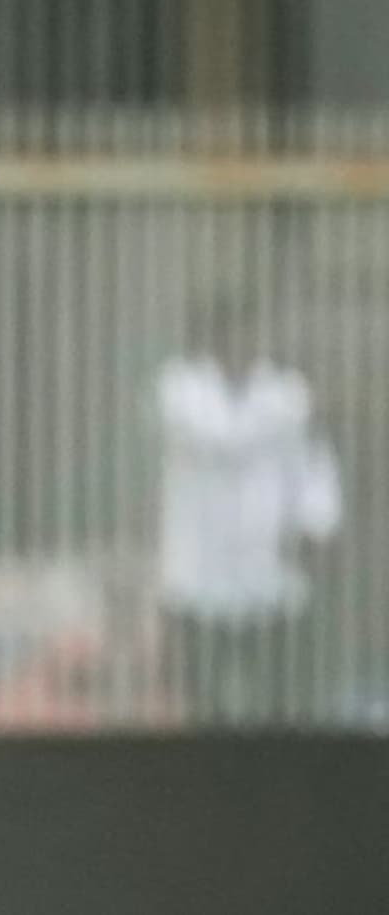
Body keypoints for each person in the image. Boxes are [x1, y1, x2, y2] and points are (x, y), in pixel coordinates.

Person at [157, 291, 341, 725]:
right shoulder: (180, 388)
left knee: (275, 707)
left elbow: (311, 461)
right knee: (202, 707)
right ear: (212, 338)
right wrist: (283, 418)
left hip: (269, 573)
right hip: (198, 575)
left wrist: (318, 523)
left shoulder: (286, 391)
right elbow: (220, 437)